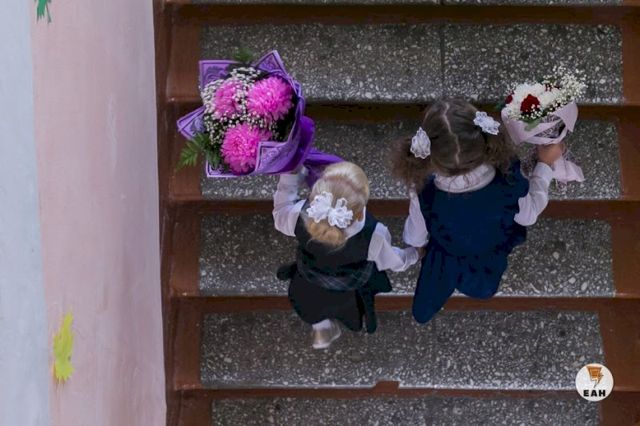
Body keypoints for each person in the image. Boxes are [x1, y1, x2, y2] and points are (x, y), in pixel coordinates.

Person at [391, 98, 563, 324]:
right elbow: (528, 215)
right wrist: (545, 165)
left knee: (436, 279)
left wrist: (418, 246)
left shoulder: (423, 189)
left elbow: (416, 233)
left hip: (448, 248)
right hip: (488, 244)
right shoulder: (507, 177)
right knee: (483, 282)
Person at [273, 162, 421, 349]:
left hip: (308, 282)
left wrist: (291, 176)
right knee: (345, 309)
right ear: (358, 215)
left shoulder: (298, 216)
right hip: (348, 291)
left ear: (314, 198)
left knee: (312, 306)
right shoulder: (374, 235)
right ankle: (329, 326)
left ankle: (321, 328)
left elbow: (281, 212)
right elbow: (395, 262)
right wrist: (414, 254)